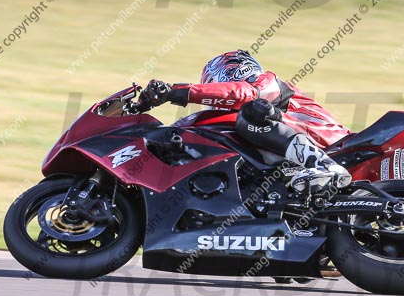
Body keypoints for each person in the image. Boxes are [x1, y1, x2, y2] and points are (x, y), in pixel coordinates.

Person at [139, 50, 352, 192]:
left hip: (333, 143)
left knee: (252, 112)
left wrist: (179, 92)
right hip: (299, 149)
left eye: (212, 85)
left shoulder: (264, 83)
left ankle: (324, 166)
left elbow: (242, 93)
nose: (212, 95)